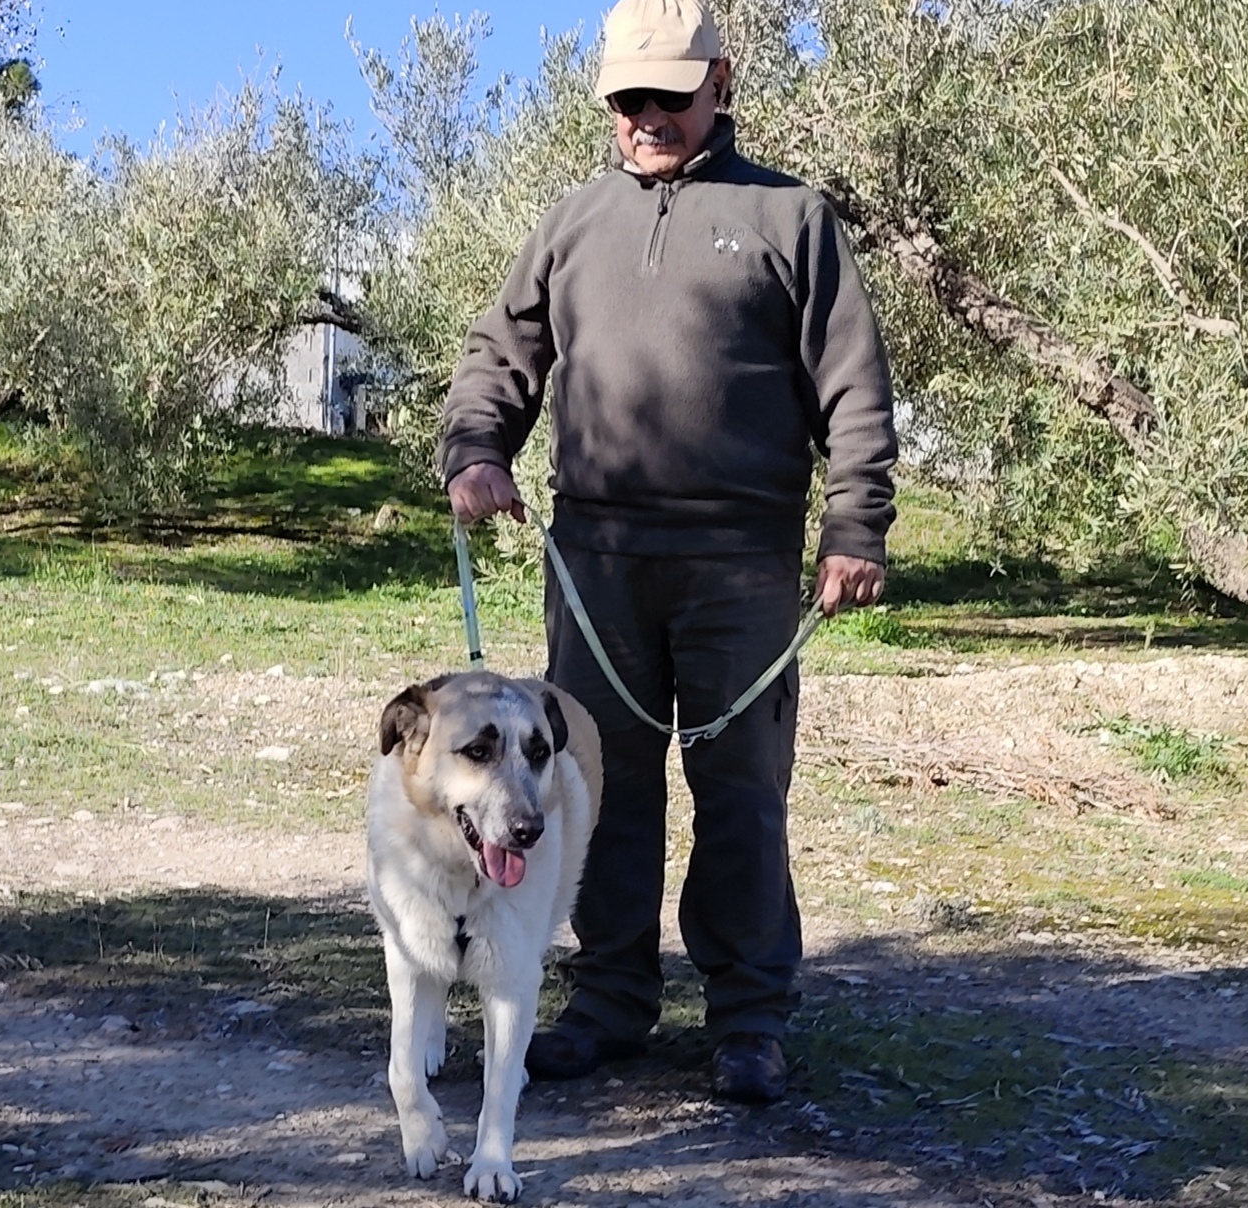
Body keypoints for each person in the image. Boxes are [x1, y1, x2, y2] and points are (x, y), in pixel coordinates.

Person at [438, 0, 896, 1104]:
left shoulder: (791, 217)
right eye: (628, 97)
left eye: (670, 96)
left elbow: (854, 387)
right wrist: (476, 448)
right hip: (596, 562)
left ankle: (748, 1021)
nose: (647, 115)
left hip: (740, 563)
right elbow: (502, 349)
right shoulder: (573, 221)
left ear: (719, 85)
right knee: (596, 788)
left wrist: (854, 527)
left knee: (741, 794)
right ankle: (608, 1002)